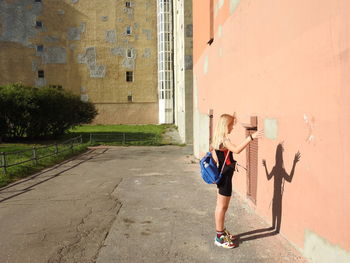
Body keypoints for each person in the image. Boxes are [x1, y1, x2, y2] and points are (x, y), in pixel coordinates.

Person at [211, 113, 264, 249]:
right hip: (225, 179)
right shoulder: (224, 141)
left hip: (222, 177)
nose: (232, 128)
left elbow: (216, 159)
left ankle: (221, 232)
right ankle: (219, 237)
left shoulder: (216, 140)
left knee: (221, 206)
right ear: (225, 126)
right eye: (231, 125)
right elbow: (237, 150)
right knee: (222, 207)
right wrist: (251, 137)